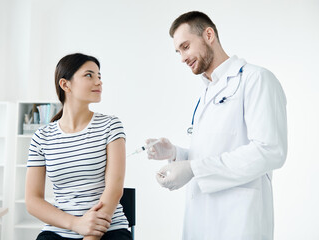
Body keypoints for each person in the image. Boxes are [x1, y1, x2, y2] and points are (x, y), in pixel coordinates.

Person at [146, 11, 287, 240]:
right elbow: (213, 152)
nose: (182, 57)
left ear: (208, 35)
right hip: (201, 220)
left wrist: (193, 169)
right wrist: (176, 154)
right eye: (178, 51)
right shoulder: (207, 92)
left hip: (238, 222)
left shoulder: (256, 79)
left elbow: (270, 150)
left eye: (185, 46)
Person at [25, 53, 132, 240]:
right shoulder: (41, 137)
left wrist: (90, 235)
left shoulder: (110, 126)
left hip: (109, 229)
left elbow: (114, 189)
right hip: (59, 230)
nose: (99, 82)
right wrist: (76, 224)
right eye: (89, 75)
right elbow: (32, 201)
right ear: (65, 84)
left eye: (99, 76)